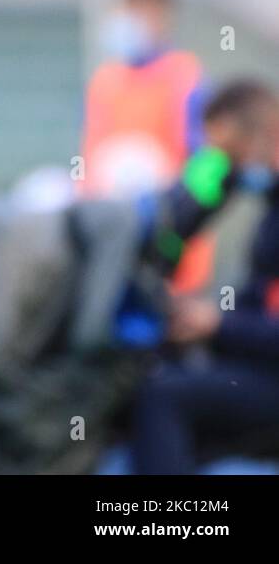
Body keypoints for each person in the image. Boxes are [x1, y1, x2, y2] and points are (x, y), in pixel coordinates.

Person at [129, 79, 279, 473]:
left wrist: (219, 325)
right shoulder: (269, 206)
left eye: (231, 156)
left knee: (161, 397)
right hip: (259, 362)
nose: (230, 168)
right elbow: (172, 233)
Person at [82, 0, 213, 292]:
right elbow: (89, 157)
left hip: (171, 236)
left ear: (161, 19)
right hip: (110, 231)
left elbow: (205, 158)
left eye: (140, 14)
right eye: (127, 13)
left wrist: (184, 212)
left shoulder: (184, 75)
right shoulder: (105, 80)